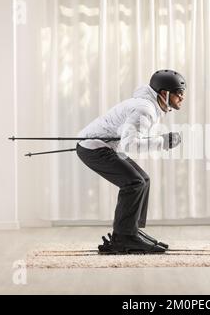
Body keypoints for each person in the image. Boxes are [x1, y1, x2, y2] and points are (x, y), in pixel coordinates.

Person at [76, 70, 186, 254]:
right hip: (93, 147)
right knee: (134, 183)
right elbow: (131, 146)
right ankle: (123, 238)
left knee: (144, 180)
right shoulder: (145, 109)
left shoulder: (151, 105)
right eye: (179, 93)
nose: (182, 97)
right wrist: (164, 142)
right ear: (164, 94)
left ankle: (131, 231)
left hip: (109, 146)